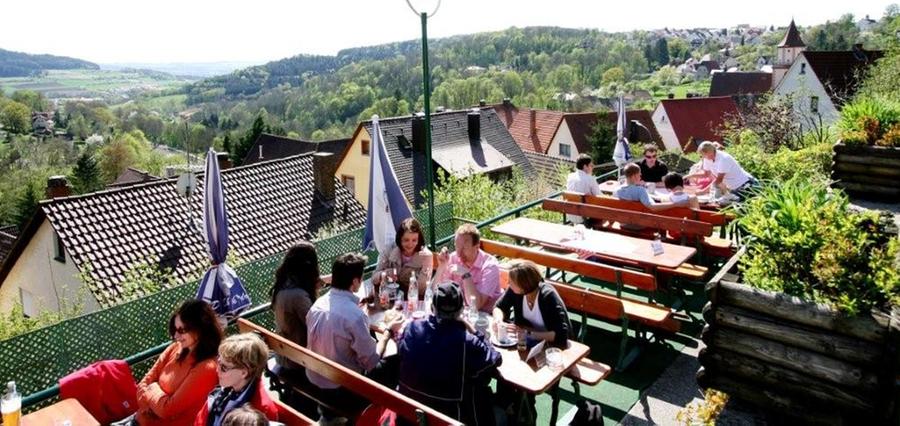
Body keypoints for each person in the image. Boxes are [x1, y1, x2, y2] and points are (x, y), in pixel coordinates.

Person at [306, 253, 403, 420]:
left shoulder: (317, 305)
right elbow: (371, 361)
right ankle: (391, 414)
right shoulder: (355, 316)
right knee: (395, 360)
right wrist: (388, 331)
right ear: (356, 281)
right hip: (342, 389)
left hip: (315, 379)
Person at [397, 282, 502, 425]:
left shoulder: (412, 328)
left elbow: (400, 347)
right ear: (461, 311)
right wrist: (474, 330)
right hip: (452, 418)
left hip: (407, 417)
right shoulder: (467, 342)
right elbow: (495, 359)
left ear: (432, 307)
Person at [134, 299, 223, 425]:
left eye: (182, 330)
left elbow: (167, 410)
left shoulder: (206, 368)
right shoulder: (175, 348)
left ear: (200, 329)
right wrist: (153, 404)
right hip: (140, 419)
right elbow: (142, 384)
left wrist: (152, 387)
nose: (176, 336)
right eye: (174, 329)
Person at [195, 333, 278, 426]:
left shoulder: (260, 412)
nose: (217, 369)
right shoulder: (224, 390)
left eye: (224, 367)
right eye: (218, 362)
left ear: (244, 373)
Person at [492, 260, 572, 348]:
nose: (508, 284)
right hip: (526, 344)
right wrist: (498, 321)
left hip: (553, 347)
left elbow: (561, 335)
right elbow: (499, 307)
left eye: (511, 282)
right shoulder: (515, 291)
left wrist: (529, 334)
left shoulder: (547, 296)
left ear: (523, 285)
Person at [271, 241, 320, 373]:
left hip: (284, 353)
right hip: (296, 360)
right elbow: (316, 327)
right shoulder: (298, 296)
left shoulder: (283, 285)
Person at [433, 224, 502, 314]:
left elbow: (476, 305)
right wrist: (441, 266)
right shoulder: (453, 257)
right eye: (457, 246)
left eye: (464, 248)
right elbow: (436, 291)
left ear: (477, 247)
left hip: (487, 316)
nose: (459, 253)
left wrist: (466, 275)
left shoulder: (490, 266)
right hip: (462, 312)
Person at [372, 218, 433, 297]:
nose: (410, 244)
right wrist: (385, 274)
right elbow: (374, 278)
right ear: (400, 239)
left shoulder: (426, 256)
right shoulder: (389, 250)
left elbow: (422, 290)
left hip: (412, 298)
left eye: (414, 240)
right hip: (390, 296)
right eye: (406, 240)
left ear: (419, 240)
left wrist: (426, 263)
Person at [565, 154, 601, 225]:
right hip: (584, 216)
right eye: (591, 165)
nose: (592, 167)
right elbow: (599, 196)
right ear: (585, 166)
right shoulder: (590, 179)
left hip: (570, 214)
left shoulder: (570, 177)